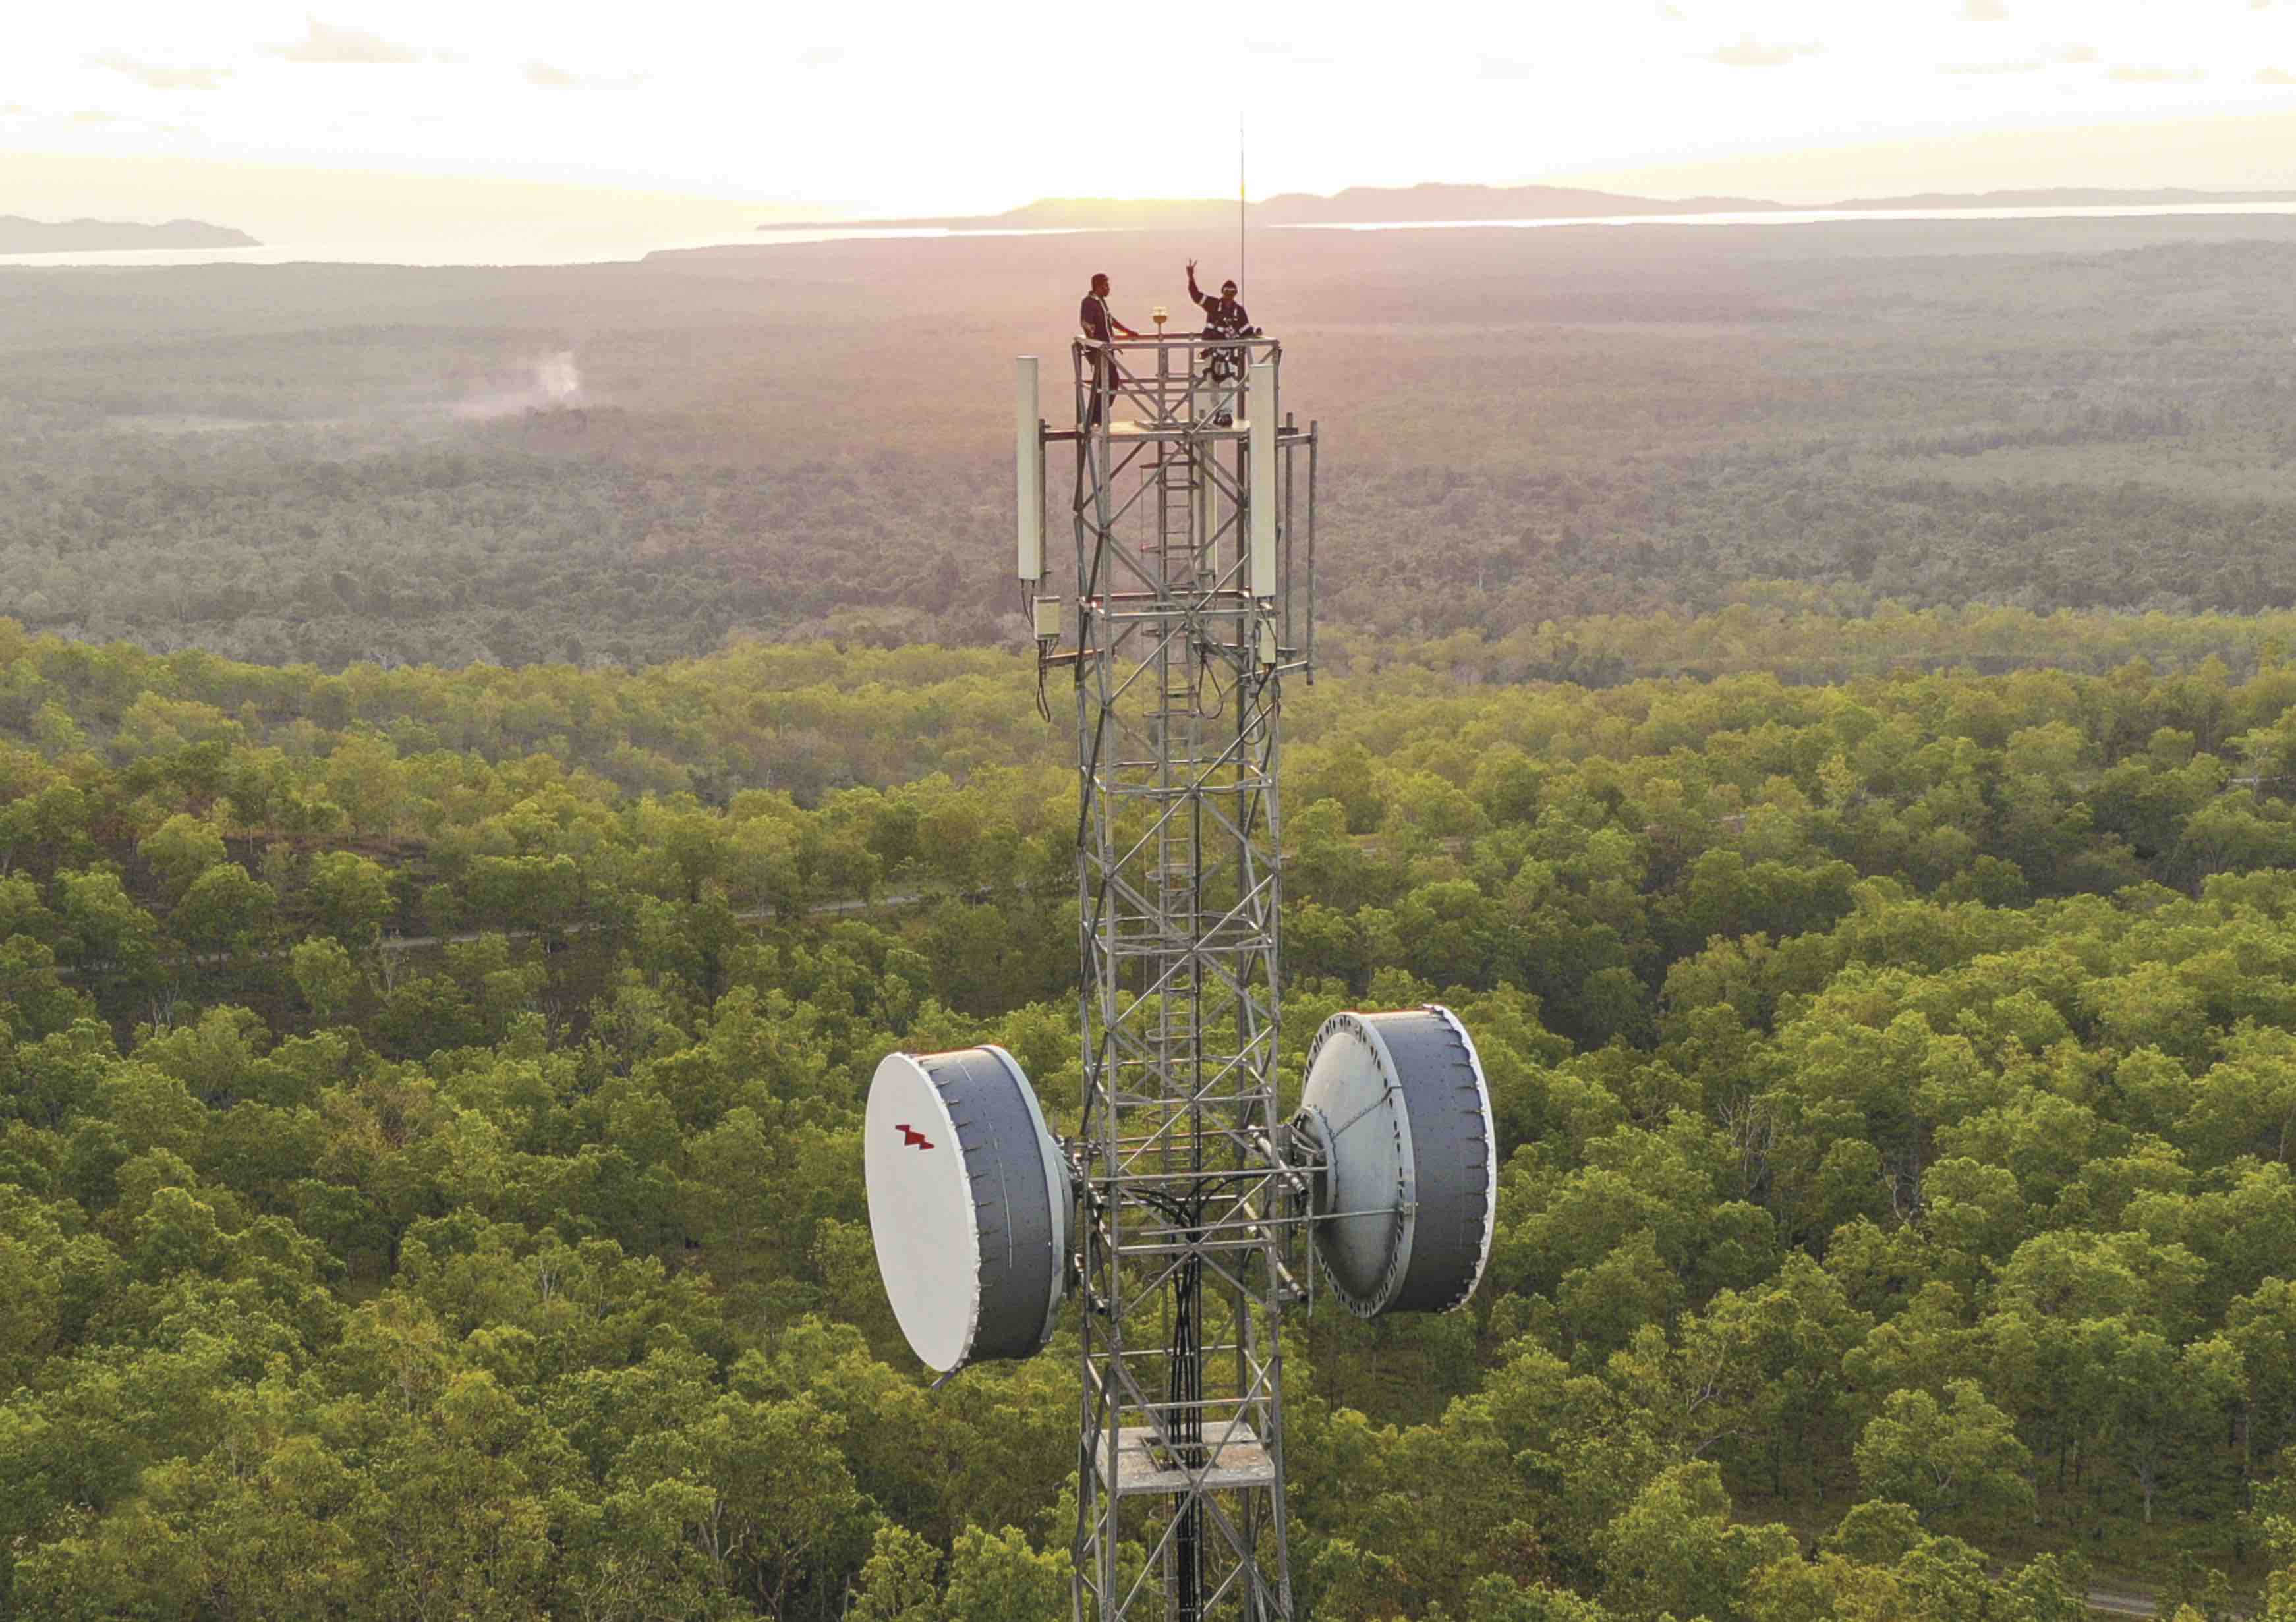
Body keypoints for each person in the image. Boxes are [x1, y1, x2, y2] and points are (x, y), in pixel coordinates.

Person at [1186, 260, 1257, 426]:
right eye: (1227, 292)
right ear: (1222, 292)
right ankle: (1218, 412)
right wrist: (1191, 278)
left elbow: (1247, 330)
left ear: (1235, 294)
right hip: (1211, 352)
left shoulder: (1239, 312)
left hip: (1227, 354)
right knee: (1212, 382)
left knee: (1226, 382)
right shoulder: (1213, 305)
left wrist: (1255, 333)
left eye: (1232, 292)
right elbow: (1196, 296)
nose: (1229, 295)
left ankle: (1226, 414)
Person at [1079, 273, 1141, 430]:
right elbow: (1085, 323)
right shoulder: (1088, 303)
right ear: (1098, 286)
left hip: (1107, 349)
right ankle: (1096, 416)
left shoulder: (1101, 302)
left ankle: (1096, 416)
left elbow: (1110, 321)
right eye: (1106, 286)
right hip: (1100, 351)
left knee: (1106, 383)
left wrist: (1127, 332)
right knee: (1110, 381)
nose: (1108, 289)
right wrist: (1092, 341)